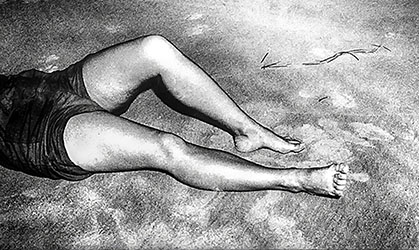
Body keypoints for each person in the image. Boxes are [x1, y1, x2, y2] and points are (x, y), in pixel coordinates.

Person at [0, 35, 348, 198]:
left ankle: (248, 131)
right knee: (167, 147)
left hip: (41, 86)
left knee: (155, 49)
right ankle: (293, 179)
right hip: (32, 132)